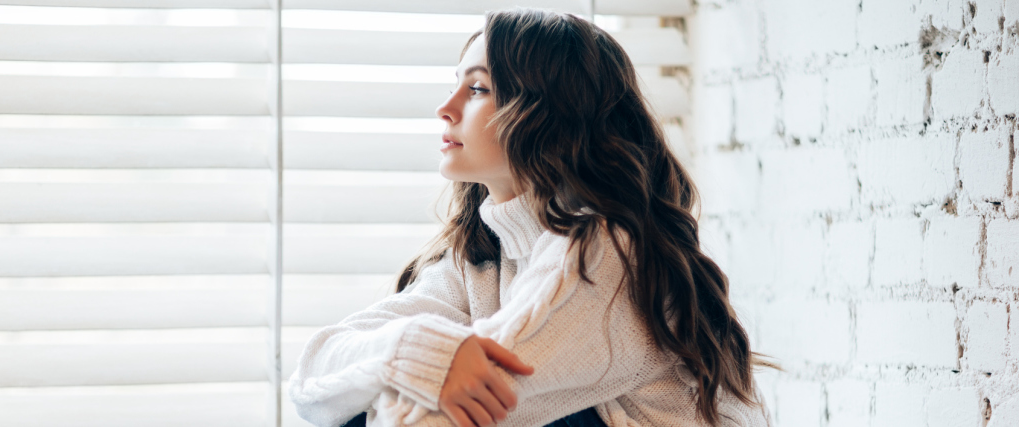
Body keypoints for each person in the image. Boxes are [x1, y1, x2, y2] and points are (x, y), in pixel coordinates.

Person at [288, 7, 772, 427]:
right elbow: (311, 375)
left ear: (547, 113)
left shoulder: (606, 253)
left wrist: (397, 378)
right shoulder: (480, 261)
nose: (445, 108)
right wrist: (408, 349)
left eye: (476, 89)